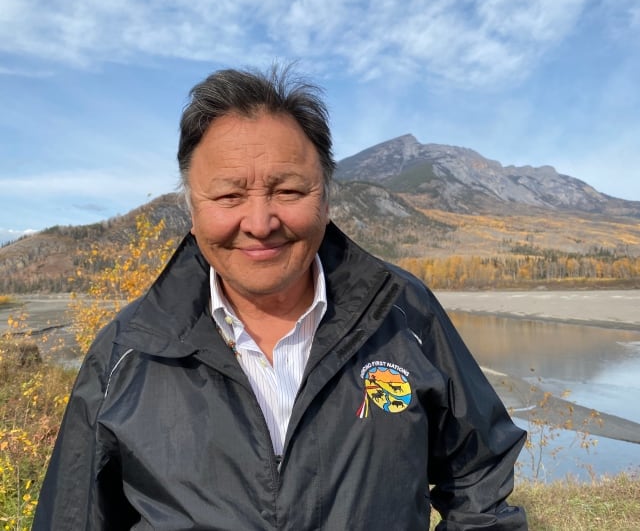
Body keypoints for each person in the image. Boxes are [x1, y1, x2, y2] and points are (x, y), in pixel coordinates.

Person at [33, 65, 528, 530]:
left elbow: (479, 479)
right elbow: (71, 517)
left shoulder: (402, 311)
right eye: (228, 196)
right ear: (192, 208)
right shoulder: (128, 351)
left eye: (288, 191)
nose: (260, 222)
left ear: (326, 198)